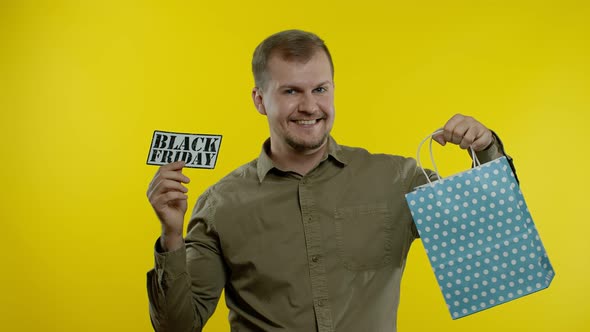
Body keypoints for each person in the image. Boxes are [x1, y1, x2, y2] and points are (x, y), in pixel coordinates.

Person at [146, 29, 511, 332]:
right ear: (259, 100)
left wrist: (486, 150)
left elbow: (494, 241)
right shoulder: (220, 205)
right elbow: (178, 327)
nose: (309, 106)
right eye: (291, 91)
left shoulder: (397, 179)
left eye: (320, 89)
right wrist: (171, 236)